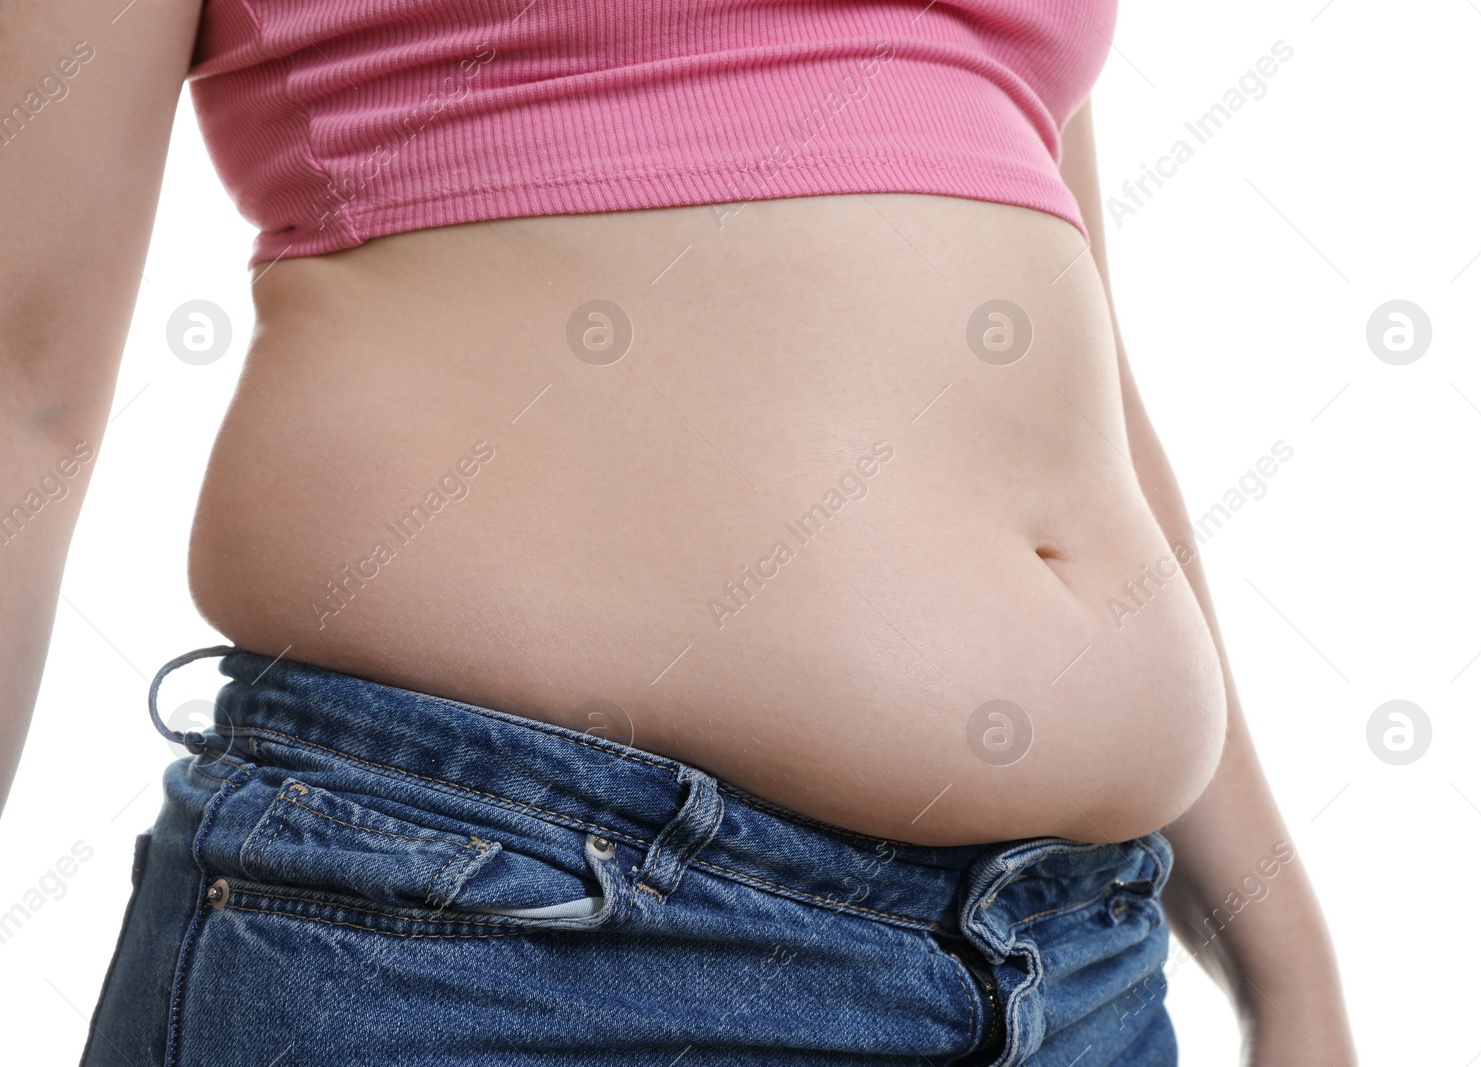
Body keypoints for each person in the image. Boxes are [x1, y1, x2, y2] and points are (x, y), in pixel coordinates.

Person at [4, 1, 1357, 1063]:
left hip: (1083, 971)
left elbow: (1062, 355)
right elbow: (26, 391)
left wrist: (1287, 969)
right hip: (506, 947)